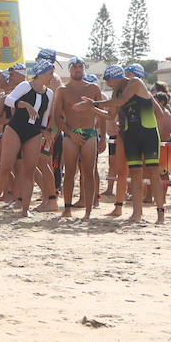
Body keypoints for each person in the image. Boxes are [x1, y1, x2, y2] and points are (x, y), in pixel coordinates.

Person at [82, 65, 167, 224]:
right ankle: (137, 213)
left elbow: (121, 101)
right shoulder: (116, 91)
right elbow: (110, 115)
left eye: (108, 81)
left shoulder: (134, 82)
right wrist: (92, 108)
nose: (108, 85)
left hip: (148, 132)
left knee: (153, 172)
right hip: (130, 134)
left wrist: (94, 102)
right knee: (134, 174)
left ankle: (160, 213)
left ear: (115, 77)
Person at [0, 60, 55, 217]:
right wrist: (25, 105)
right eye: (50, 73)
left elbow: (45, 116)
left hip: (34, 132)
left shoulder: (50, 93)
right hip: (15, 129)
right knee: (5, 167)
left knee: (29, 170)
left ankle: (25, 209)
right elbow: (8, 100)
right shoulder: (25, 86)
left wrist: (45, 131)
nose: (52, 77)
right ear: (40, 73)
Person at [54, 56, 102, 220]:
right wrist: (70, 132)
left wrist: (101, 137)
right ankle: (67, 208)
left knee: (88, 172)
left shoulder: (93, 88)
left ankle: (88, 211)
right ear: (69, 70)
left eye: (80, 66)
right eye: (74, 67)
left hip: (89, 132)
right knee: (69, 172)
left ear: (84, 69)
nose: (77, 69)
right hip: (70, 133)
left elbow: (101, 113)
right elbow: (56, 117)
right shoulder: (62, 90)